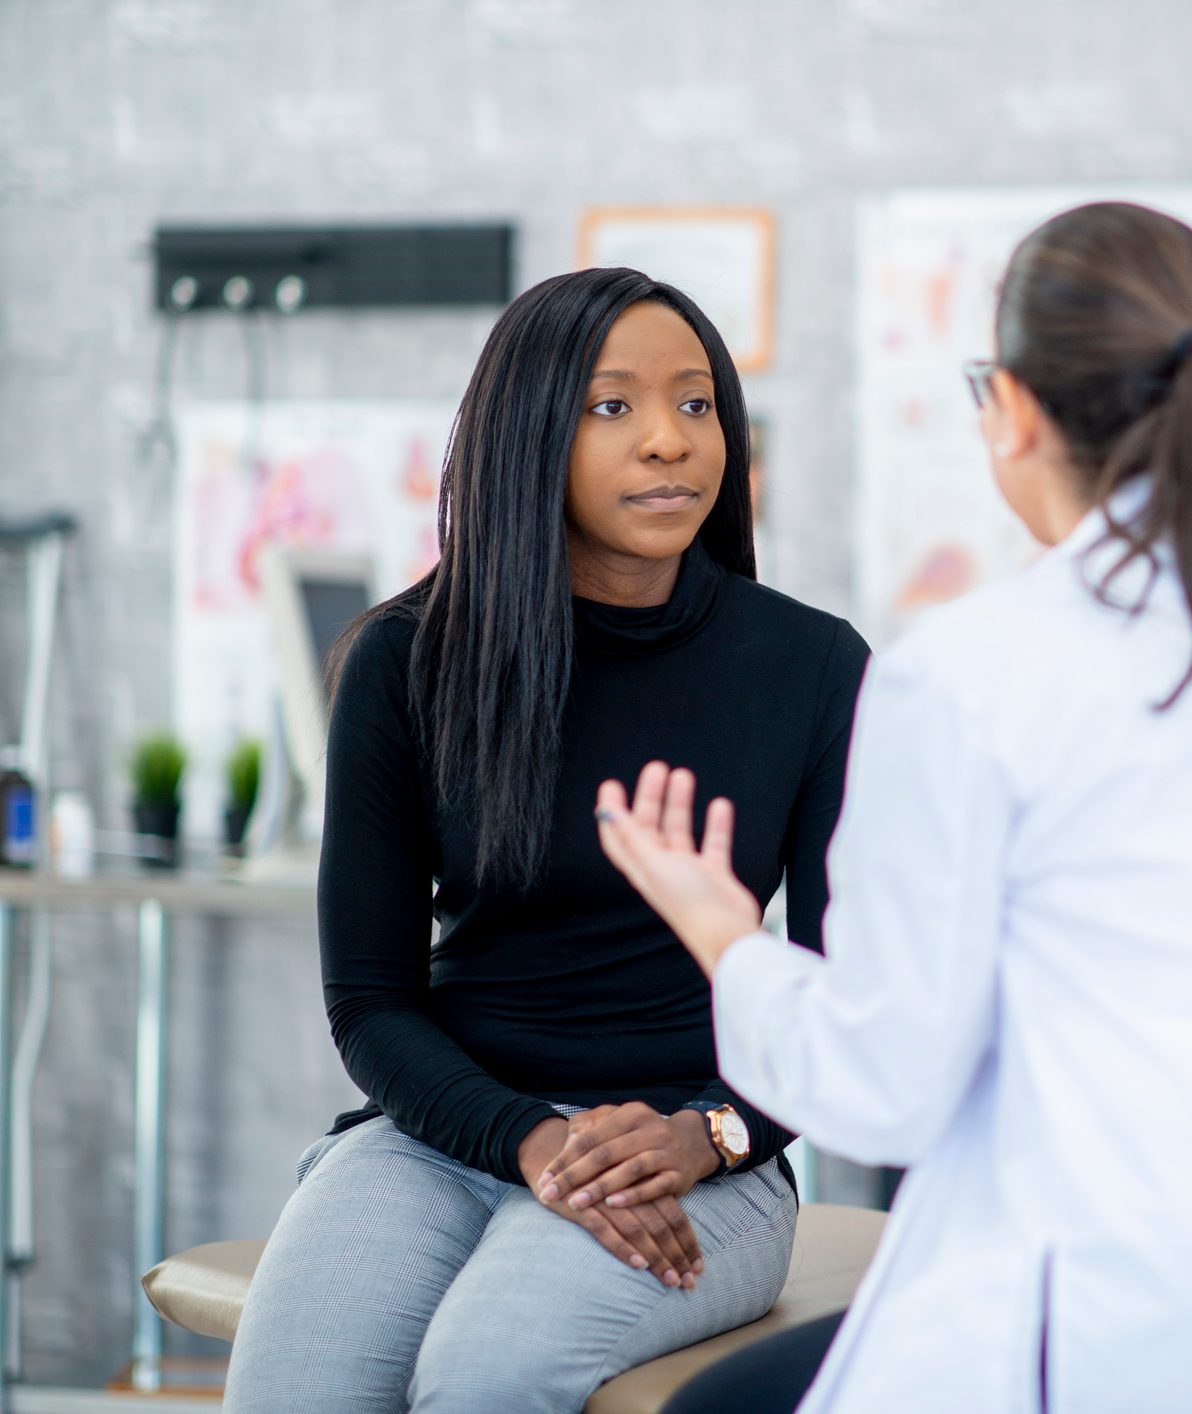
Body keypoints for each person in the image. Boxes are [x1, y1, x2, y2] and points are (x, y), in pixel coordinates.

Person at [567, 203, 1192, 1412]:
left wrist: (724, 934)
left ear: (1011, 411)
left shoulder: (973, 674)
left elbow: (882, 1088)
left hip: (1136, 1336)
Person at [223, 268, 870, 1413]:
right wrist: (528, 1140)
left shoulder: (815, 667)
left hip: (703, 1154)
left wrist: (705, 1134)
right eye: (612, 406)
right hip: (446, 1132)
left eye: (697, 402)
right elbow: (369, 1000)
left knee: (485, 1374)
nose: (669, 441)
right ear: (529, 434)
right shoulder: (403, 660)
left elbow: (845, 999)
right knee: (296, 1389)